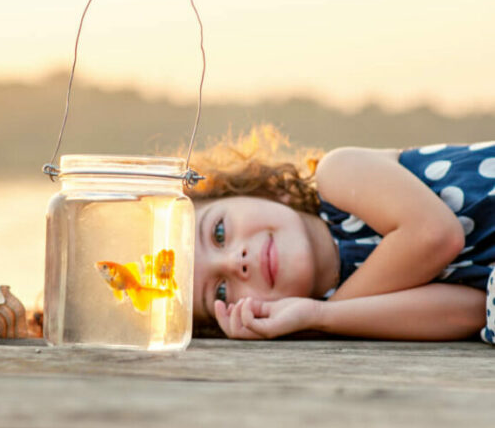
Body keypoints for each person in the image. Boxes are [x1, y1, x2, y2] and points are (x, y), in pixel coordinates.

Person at [187, 124, 495, 342]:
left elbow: (435, 235)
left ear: (255, 191)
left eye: (219, 232)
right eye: (221, 292)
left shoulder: (338, 175)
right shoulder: (341, 314)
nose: (235, 262)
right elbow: (472, 311)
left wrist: (328, 315)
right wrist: (317, 317)